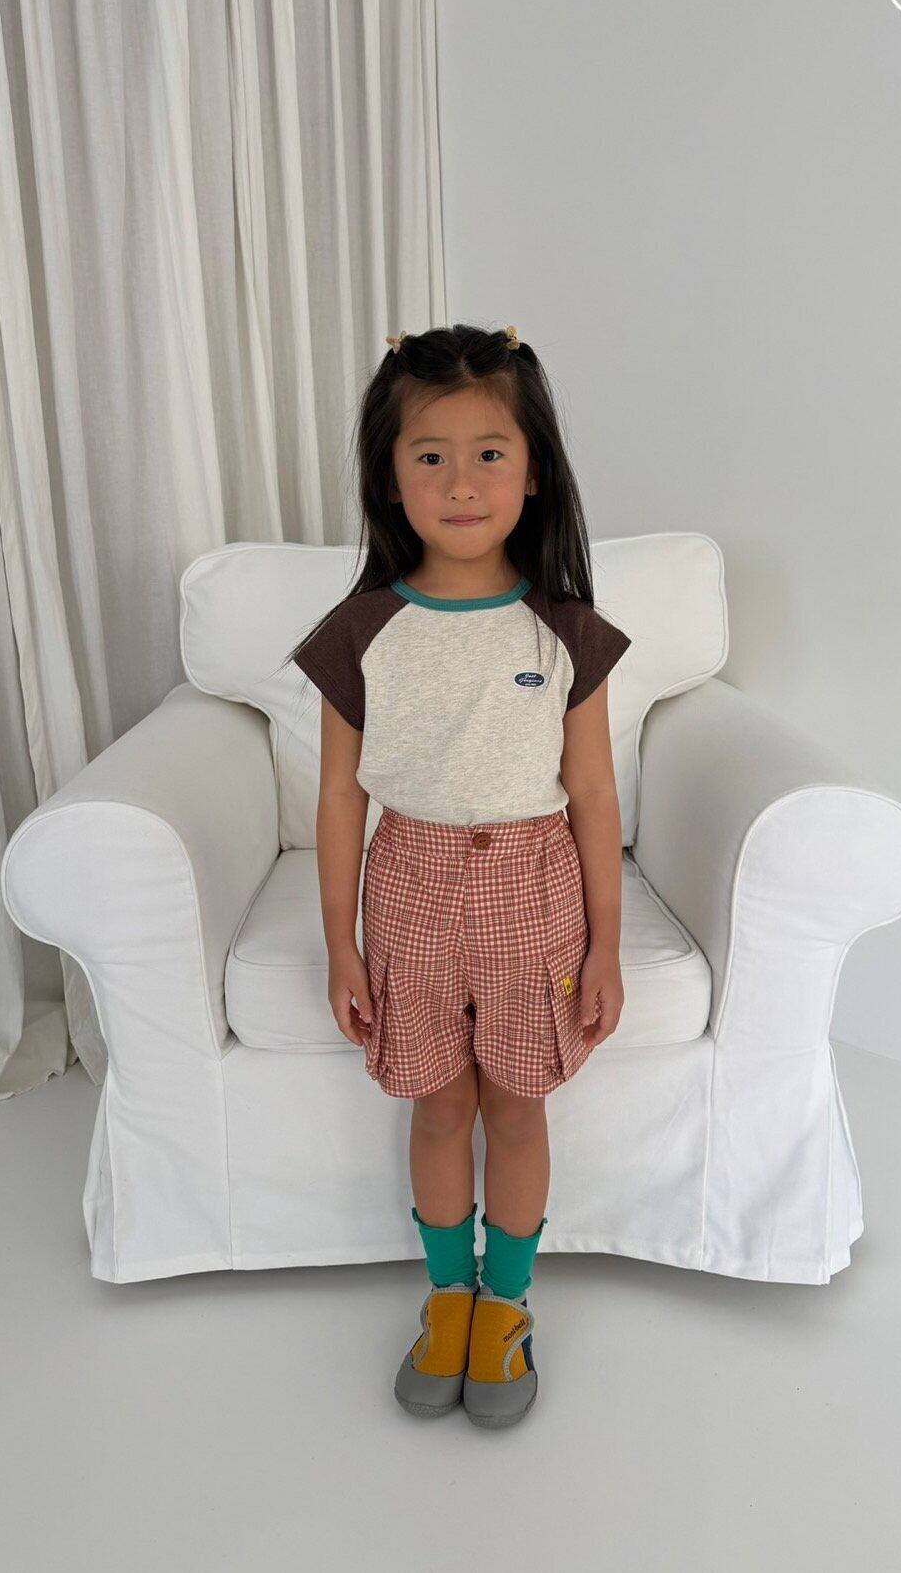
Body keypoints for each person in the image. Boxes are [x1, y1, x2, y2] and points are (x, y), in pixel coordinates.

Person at [286, 322, 631, 1428]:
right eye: (428, 455)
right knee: (440, 1103)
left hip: (535, 896)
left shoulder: (564, 630)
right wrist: (341, 944)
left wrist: (606, 947)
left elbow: (593, 796)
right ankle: (448, 1297)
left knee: (517, 1106)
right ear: (389, 477)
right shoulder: (361, 630)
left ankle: (507, 1306)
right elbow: (338, 797)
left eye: (490, 452)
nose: (461, 482)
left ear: (533, 473)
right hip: (410, 893)